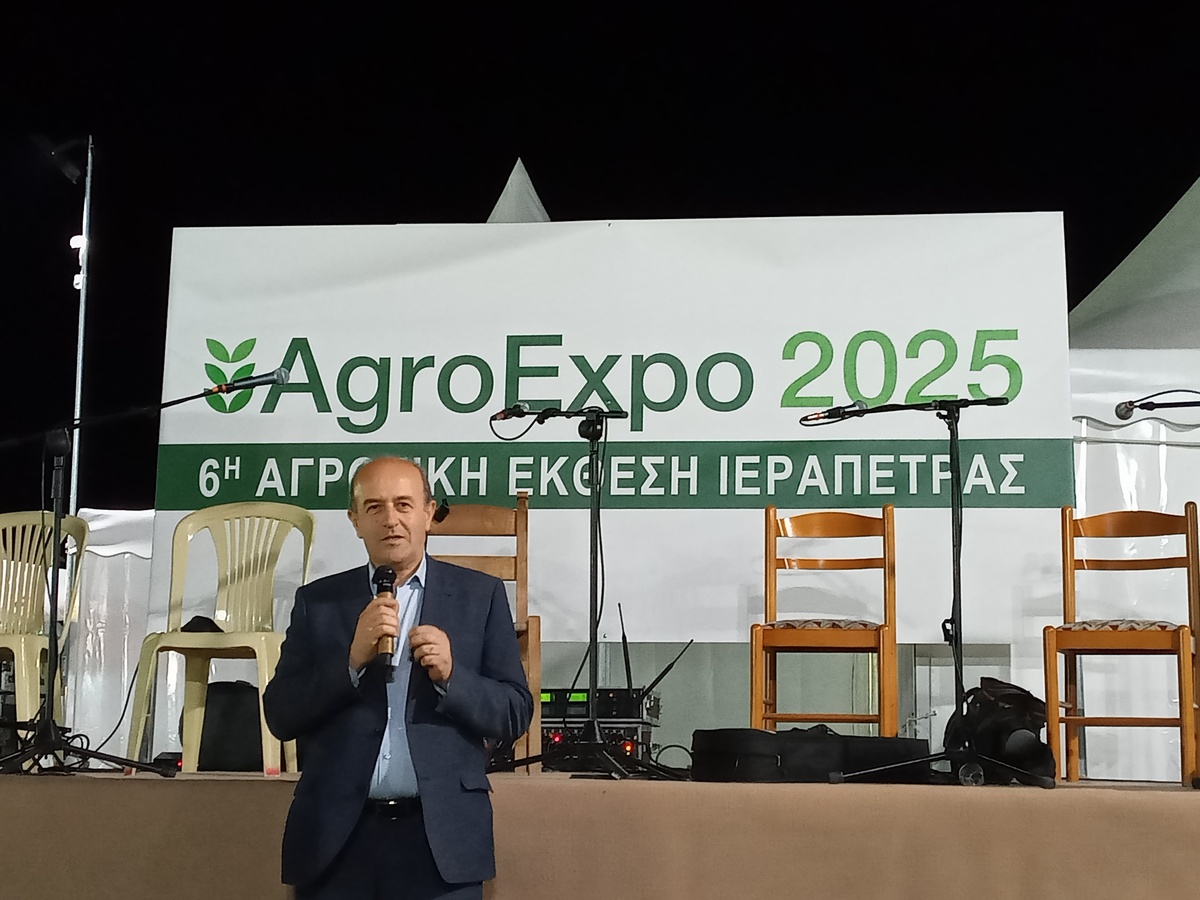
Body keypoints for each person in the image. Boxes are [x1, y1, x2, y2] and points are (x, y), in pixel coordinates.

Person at [264, 456, 533, 899]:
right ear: (354, 520)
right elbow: (280, 713)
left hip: (440, 843)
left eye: (404, 505)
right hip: (336, 844)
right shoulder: (319, 602)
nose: (391, 519)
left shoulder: (479, 596)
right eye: (374, 507)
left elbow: (514, 712)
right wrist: (350, 661)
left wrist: (452, 676)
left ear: (428, 513)